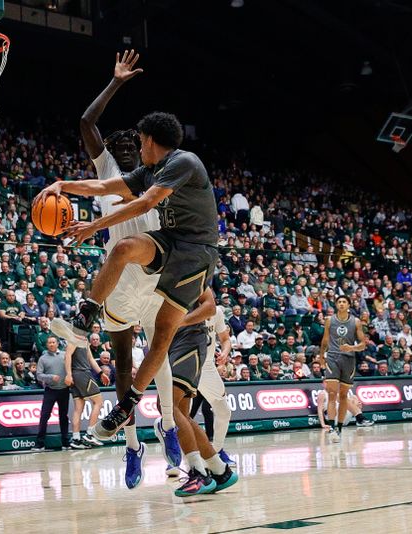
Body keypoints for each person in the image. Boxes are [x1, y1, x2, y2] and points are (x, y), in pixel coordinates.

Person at [48, 56, 217, 448]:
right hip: (166, 246)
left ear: (151, 141)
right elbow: (104, 187)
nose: (135, 145)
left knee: (160, 340)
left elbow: (142, 205)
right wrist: (61, 184)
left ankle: (133, 408)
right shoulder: (141, 170)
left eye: (139, 140)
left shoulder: (182, 162)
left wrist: (91, 226)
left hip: (194, 253)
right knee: (122, 248)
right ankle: (87, 313)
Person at [73, 49, 179, 488]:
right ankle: (132, 444)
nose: (121, 146)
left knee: (161, 358)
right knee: (121, 365)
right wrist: (116, 81)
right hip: (120, 277)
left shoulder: (163, 172)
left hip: (152, 270)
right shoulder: (109, 171)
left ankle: (169, 428)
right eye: (114, 144)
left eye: (128, 142)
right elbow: (85, 123)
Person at [160, 295, 238, 497]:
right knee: (181, 415)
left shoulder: (188, 273)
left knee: (168, 407)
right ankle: (219, 470)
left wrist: (179, 321)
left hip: (191, 346)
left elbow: (211, 308)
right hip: (181, 346)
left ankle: (200, 471)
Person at [186, 288, 235, 470]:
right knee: (178, 416)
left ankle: (216, 451)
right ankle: (175, 461)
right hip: (186, 367)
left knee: (224, 411)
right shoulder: (184, 309)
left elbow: (225, 338)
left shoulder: (218, 312)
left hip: (206, 368)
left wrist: (225, 352)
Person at [319, 295, 367, 443]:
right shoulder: (329, 320)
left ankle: (339, 428)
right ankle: (333, 427)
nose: (341, 304)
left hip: (349, 359)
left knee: (344, 396)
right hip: (333, 357)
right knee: (332, 394)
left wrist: (351, 347)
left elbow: (363, 344)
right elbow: (325, 340)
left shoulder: (356, 322)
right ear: (335, 305)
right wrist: (321, 356)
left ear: (349, 305)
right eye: (339, 302)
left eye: (344, 302)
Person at [30, 336, 70, 452]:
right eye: (49, 342)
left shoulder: (64, 355)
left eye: (53, 342)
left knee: (63, 417)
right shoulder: (43, 358)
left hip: (64, 390)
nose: (51, 344)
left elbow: (70, 369)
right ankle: (40, 444)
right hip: (50, 390)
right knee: (44, 416)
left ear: (57, 344)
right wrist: (50, 377)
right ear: (47, 345)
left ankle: (66, 443)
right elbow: (39, 375)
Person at [64, 343, 105, 449]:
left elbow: (90, 358)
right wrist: (68, 374)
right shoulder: (74, 339)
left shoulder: (84, 339)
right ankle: (90, 434)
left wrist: (100, 373)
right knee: (98, 402)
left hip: (76, 375)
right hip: (82, 373)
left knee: (79, 408)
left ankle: (76, 438)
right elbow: (67, 356)